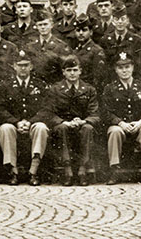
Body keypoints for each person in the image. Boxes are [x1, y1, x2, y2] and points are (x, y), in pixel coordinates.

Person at [100, 52, 141, 185]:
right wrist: (120, 123)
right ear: (116, 70)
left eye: (127, 67)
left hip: (138, 125)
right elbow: (106, 112)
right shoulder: (110, 88)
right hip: (120, 126)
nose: (124, 71)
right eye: (121, 68)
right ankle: (114, 170)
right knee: (114, 132)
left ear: (133, 68)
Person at [0, 51, 54, 186]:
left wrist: (30, 122)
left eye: (26, 65)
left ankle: (33, 171)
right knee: (5, 128)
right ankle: (13, 171)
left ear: (31, 66)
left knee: (41, 128)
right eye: (20, 65)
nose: (23, 68)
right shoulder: (5, 85)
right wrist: (16, 122)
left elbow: (47, 108)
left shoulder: (40, 85)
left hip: (33, 123)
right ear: (14, 66)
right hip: (14, 124)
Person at [48, 56, 101, 186]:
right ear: (63, 72)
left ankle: (82, 170)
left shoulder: (89, 89)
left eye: (75, 70)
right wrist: (63, 121)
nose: (72, 73)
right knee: (62, 128)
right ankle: (68, 171)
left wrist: (84, 121)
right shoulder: (55, 89)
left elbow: (95, 114)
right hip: (63, 125)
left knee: (88, 128)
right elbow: (49, 112)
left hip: (82, 125)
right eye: (69, 70)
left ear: (80, 71)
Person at [97, 7, 141, 82]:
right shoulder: (105, 40)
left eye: (123, 19)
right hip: (111, 80)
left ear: (127, 21)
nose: (120, 22)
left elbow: (140, 66)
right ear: (113, 21)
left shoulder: (137, 40)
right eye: (116, 19)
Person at [22, 9, 70, 84]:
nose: (43, 27)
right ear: (36, 27)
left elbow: (65, 71)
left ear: (52, 25)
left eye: (45, 24)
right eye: (40, 25)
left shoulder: (61, 46)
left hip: (53, 85)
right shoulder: (30, 46)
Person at [71, 14, 108, 90]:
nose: (81, 33)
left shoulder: (97, 51)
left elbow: (98, 78)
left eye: (84, 30)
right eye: (78, 30)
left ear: (91, 32)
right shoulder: (75, 51)